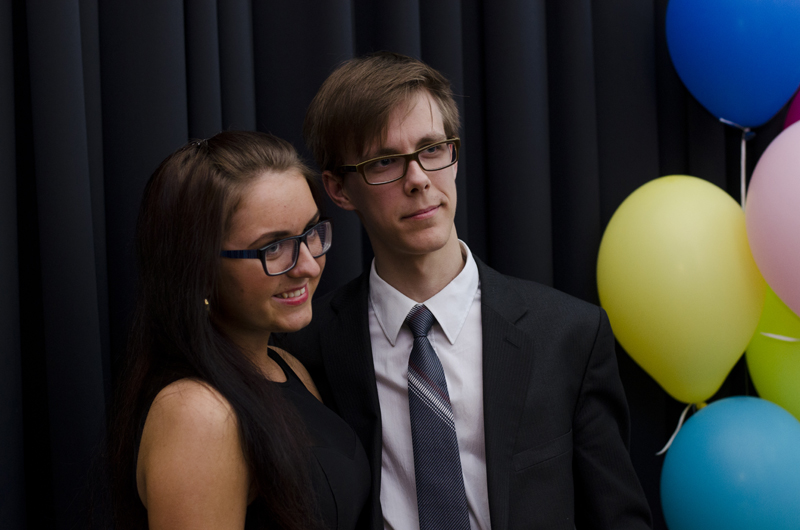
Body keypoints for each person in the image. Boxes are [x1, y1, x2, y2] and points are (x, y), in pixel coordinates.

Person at [276, 52, 653, 530]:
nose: (418, 180)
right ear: (339, 190)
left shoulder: (569, 335)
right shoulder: (303, 351)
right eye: (385, 161)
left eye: (432, 149)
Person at [108, 131, 370, 530]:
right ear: (199, 267)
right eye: (273, 248)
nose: (308, 266)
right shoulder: (197, 414)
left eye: (311, 232)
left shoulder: (285, 365)